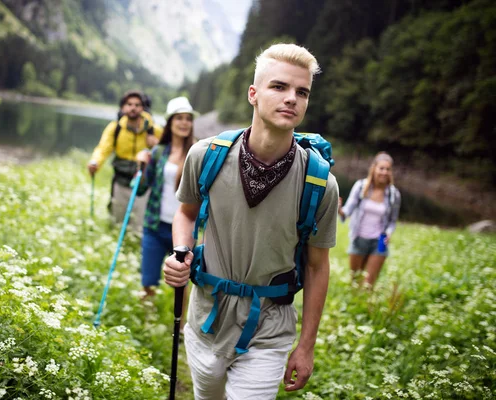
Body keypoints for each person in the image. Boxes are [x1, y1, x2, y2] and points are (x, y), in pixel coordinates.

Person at [163, 43, 339, 399]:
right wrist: (181, 252)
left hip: (269, 328)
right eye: (279, 87)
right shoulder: (206, 156)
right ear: (253, 94)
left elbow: (318, 268)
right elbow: (186, 213)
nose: (292, 98)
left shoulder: (320, 183)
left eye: (301, 92)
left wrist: (306, 346)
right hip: (206, 317)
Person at [135, 97, 197, 299]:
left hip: (183, 229)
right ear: (170, 122)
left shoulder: (198, 153)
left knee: (182, 283)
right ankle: (148, 321)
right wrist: (141, 166)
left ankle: (180, 326)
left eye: (188, 118)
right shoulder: (158, 152)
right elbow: (140, 189)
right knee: (148, 280)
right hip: (154, 226)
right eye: (179, 118)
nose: (184, 122)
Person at [87, 90, 163, 229]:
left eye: (137, 104)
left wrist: (156, 144)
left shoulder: (154, 129)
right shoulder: (115, 128)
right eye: (129, 104)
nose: (133, 107)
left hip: (143, 183)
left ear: (143, 108)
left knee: (139, 225)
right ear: (123, 107)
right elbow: (103, 148)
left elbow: (168, 151)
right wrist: (95, 162)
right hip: (120, 181)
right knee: (117, 221)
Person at [338, 152, 401, 287]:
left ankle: (366, 306)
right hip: (358, 239)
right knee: (355, 282)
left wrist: (389, 233)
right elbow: (347, 210)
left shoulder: (393, 194)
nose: (384, 172)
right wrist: (339, 210)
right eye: (381, 168)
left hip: (379, 243)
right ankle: (356, 306)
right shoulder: (360, 186)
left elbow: (392, 221)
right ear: (374, 168)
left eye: (388, 169)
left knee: (368, 285)